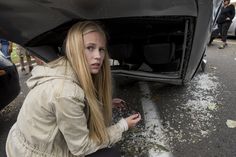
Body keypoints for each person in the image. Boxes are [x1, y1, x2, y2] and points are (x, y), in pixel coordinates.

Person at [5, 21, 141, 157]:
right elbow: (81, 148)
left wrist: (104, 104)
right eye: (90, 48)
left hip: (26, 144)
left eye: (101, 49)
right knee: (111, 154)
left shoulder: (65, 67)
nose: (98, 56)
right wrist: (123, 126)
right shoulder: (65, 92)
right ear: (74, 49)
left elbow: (80, 101)